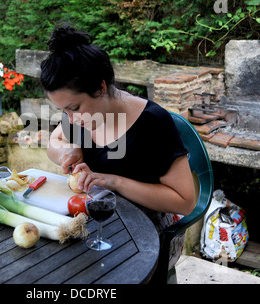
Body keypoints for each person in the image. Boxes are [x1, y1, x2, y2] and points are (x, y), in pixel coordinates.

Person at [40, 25, 196, 267]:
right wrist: (67, 151)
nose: (69, 119)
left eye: (74, 108)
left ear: (100, 88)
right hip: (95, 221)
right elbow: (54, 142)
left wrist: (114, 181)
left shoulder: (152, 123)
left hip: (146, 234)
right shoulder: (81, 117)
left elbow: (184, 201)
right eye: (62, 111)